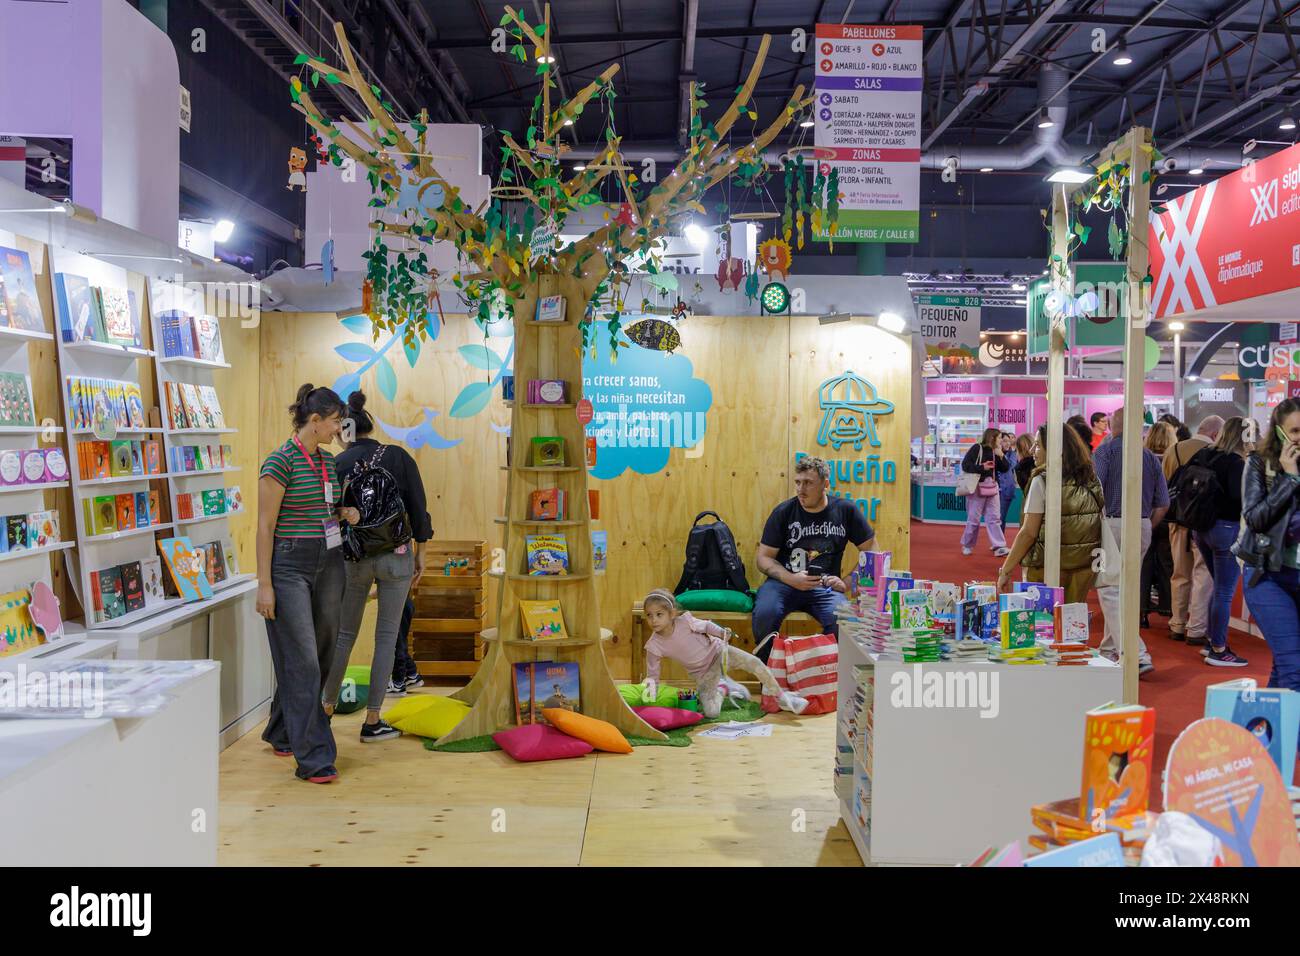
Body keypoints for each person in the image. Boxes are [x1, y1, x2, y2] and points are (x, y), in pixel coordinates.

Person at [256, 384, 356, 783]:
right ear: (314, 422)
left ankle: (283, 731)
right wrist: (264, 584)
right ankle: (315, 756)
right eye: (334, 422)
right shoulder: (279, 462)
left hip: (329, 560)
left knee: (324, 651)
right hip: (289, 566)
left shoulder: (328, 462)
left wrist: (343, 511)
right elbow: (264, 526)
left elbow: (325, 507)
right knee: (302, 660)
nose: (338, 430)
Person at [322, 391, 433, 741]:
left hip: (354, 559)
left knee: (344, 635)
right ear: (371, 427)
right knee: (386, 637)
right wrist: (421, 553)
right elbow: (418, 507)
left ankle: (324, 710)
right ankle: (372, 721)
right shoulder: (398, 457)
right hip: (396, 557)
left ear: (344, 432)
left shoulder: (336, 465)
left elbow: (327, 520)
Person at [752, 456, 874, 663]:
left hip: (824, 587)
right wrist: (791, 579)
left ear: (825, 485)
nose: (801, 489)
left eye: (808, 483)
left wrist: (845, 583)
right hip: (784, 584)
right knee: (765, 613)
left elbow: (872, 554)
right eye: (798, 482)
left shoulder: (845, 510)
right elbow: (763, 559)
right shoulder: (783, 512)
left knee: (843, 621)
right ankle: (771, 679)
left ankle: (828, 682)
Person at [641, 589, 808, 717]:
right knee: (711, 713)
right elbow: (653, 675)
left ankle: (782, 696)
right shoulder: (654, 645)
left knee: (755, 663)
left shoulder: (685, 621)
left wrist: (722, 633)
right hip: (703, 674)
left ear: (671, 614)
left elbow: (706, 626)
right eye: (649, 615)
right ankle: (723, 688)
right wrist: (650, 698)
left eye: (659, 614)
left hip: (720, 653)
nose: (653, 620)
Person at [1094, 406, 1169, 675]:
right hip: (1142, 524)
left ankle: (1137, 653)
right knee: (1123, 588)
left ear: (1114, 425)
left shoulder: (1105, 452)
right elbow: (1163, 502)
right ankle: (1107, 649)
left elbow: (1095, 490)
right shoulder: (1149, 457)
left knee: (1108, 587)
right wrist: (1144, 524)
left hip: (1112, 523)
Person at [996, 424, 1101, 603]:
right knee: (1071, 623)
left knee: (1042, 625)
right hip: (1084, 565)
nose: (1032, 450)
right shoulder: (1090, 477)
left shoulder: (1041, 481)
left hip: (1046, 566)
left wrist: (1006, 570)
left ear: (1054, 449)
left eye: (1037, 445)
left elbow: (1028, 533)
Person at [1239, 398, 1300, 692]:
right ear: (1279, 432)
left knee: (1284, 665)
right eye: (1296, 430)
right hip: (1267, 575)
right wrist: (1289, 478)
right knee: (1295, 670)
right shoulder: (1258, 464)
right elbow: (1255, 518)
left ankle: (1270, 736)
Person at [1190, 417, 1252, 666]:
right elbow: (1240, 498)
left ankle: (1212, 641)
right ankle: (1218, 648)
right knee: (1224, 592)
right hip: (1225, 529)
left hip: (1201, 527)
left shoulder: (1204, 454)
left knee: (1218, 588)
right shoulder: (1235, 461)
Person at [1164, 415, 1222, 645]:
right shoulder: (1215, 452)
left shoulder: (1174, 450)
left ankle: (1177, 623)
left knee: (1179, 572)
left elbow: (1165, 483)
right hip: (1203, 521)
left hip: (1177, 519)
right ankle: (1196, 627)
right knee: (1202, 574)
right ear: (1215, 434)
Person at [1139, 422, 1177, 628]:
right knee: (1167, 565)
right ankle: (1169, 609)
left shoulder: (1144, 458)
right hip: (1168, 519)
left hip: (1145, 517)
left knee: (1143, 567)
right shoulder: (1175, 458)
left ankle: (1141, 611)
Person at [958, 428, 1010, 557]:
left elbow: (1005, 469)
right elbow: (965, 465)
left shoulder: (997, 451)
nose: (1001, 440)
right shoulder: (977, 448)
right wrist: (982, 467)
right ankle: (968, 545)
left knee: (994, 518)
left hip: (992, 487)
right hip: (976, 487)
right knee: (973, 519)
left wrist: (1001, 455)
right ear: (992, 438)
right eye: (999, 438)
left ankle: (999, 546)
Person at [997, 432, 1020, 529]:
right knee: (996, 518)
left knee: (1001, 517)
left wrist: (1001, 454)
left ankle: (999, 542)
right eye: (1005, 441)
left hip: (1006, 490)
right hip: (994, 489)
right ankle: (998, 541)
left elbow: (1010, 466)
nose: (1008, 443)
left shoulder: (1012, 454)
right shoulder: (993, 453)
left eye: (1009, 441)